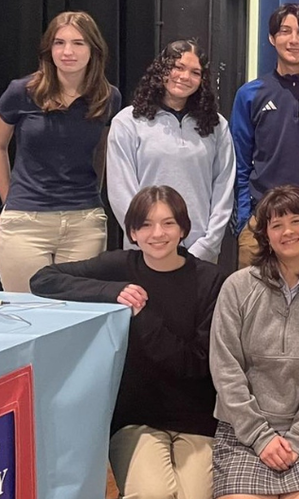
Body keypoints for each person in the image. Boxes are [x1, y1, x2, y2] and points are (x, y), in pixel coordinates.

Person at [30, 185, 225, 499]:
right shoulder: (120, 267)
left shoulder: (211, 280)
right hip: (136, 418)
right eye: (145, 224)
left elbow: (194, 363)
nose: (157, 233)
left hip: (196, 418)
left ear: (183, 229)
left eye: (168, 223)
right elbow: (43, 279)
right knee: (154, 495)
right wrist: (111, 292)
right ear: (132, 232)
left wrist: (141, 315)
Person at [209, 185, 299, 499]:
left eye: (296, 221)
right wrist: (261, 438)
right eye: (276, 225)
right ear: (266, 236)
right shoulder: (237, 286)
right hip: (242, 432)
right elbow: (225, 369)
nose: (287, 231)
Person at [0, 11, 121, 292]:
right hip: (26, 222)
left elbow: (101, 151)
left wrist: (93, 195)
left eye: (78, 43)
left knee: (76, 317)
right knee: (27, 313)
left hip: (84, 223)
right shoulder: (22, 91)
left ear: (93, 49)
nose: (67, 51)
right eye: (59, 43)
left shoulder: (108, 97)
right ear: (49, 48)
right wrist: (8, 202)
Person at [107, 40, 235, 264]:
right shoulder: (128, 122)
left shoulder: (217, 126)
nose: (185, 77)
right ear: (161, 70)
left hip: (200, 253)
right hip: (146, 250)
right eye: (177, 67)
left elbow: (224, 188)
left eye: (195, 72)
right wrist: (147, 236)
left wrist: (207, 245)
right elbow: (121, 191)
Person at [231, 2, 299, 269]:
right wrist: (246, 218)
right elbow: (240, 163)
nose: (294, 40)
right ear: (272, 38)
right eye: (285, 31)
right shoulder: (250, 94)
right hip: (262, 221)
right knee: (252, 304)